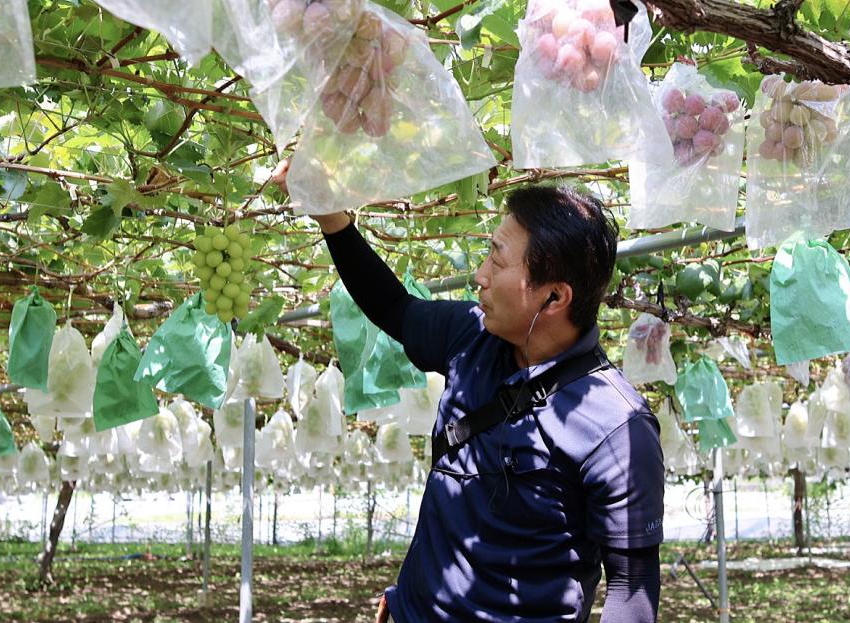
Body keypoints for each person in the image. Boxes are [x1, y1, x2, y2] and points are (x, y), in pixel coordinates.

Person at [274, 161, 665, 623]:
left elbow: (631, 586)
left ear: (554, 298)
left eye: (497, 260)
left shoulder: (617, 428)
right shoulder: (470, 336)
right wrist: (330, 216)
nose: (479, 274)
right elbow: (393, 307)